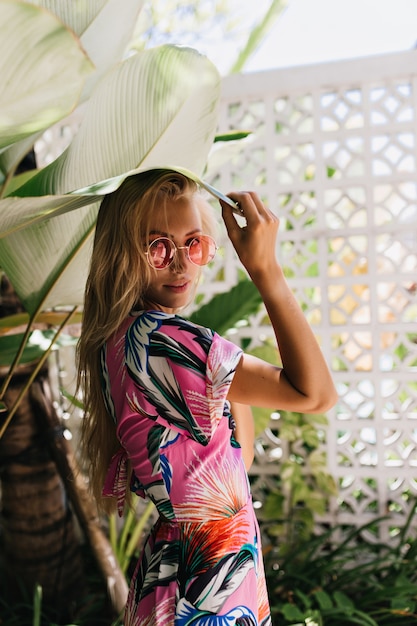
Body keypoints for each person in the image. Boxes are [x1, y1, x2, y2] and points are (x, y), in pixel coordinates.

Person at [77, 169, 337, 625]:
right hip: (202, 587)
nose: (180, 265)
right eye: (156, 247)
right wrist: (266, 270)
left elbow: (239, 460)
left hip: (188, 574)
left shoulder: (118, 341)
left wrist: (222, 374)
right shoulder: (164, 342)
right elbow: (317, 395)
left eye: (193, 243)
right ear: (122, 254)